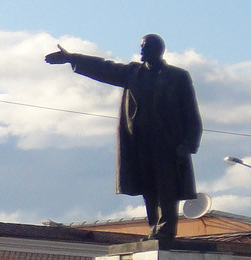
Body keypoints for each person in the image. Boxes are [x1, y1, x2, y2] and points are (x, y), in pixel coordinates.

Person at [45, 34, 202, 242]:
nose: (142, 51)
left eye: (146, 47)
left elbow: (191, 113)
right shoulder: (133, 73)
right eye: (141, 47)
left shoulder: (177, 76)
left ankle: (167, 229)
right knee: (149, 187)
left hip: (168, 144)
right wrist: (72, 58)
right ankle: (155, 227)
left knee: (167, 187)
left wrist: (187, 144)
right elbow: (105, 68)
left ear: (158, 49)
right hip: (140, 143)